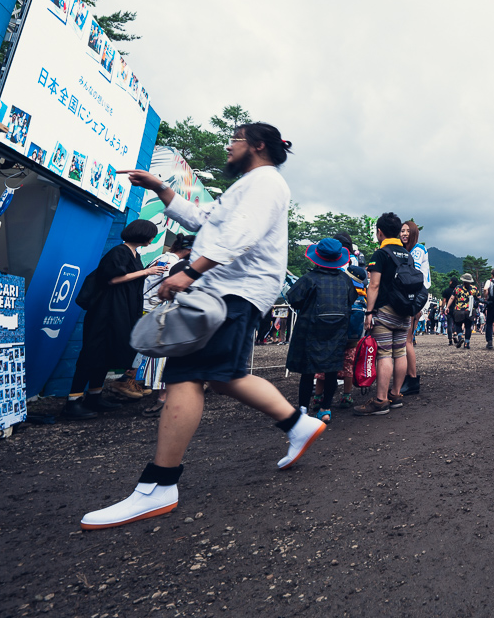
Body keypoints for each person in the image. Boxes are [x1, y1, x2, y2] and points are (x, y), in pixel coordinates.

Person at [82, 123, 325, 530]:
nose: (228, 147)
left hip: (232, 290)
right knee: (223, 376)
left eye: (235, 140)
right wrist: (161, 188)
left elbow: (239, 235)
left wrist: (190, 272)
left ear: (257, 146)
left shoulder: (265, 182)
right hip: (230, 290)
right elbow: (201, 219)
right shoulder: (249, 184)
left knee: (186, 375)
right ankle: (298, 424)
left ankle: (159, 485)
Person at [62, 219, 165, 420]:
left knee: (106, 353)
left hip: (120, 310)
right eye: (151, 235)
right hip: (105, 311)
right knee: (92, 353)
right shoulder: (119, 252)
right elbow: (112, 279)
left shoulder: (134, 254)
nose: (153, 239)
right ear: (142, 234)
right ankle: (73, 402)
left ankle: (94, 396)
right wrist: (147, 272)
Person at [285, 238, 355, 422]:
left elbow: (293, 300)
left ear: (317, 257)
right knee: (331, 371)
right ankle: (325, 410)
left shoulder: (309, 279)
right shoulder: (345, 280)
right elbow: (351, 300)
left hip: (310, 331)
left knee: (308, 373)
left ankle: (303, 411)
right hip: (336, 332)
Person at [355, 213, 416, 415]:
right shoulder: (407, 255)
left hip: (385, 311)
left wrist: (369, 312)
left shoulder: (381, 254)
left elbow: (374, 285)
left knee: (384, 354)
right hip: (404, 312)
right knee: (400, 352)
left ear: (380, 232)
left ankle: (381, 400)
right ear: (398, 232)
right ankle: (396, 394)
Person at [137, 234, 195, 417]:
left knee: (165, 356)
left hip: (164, 312)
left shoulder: (166, 258)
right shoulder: (178, 265)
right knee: (165, 356)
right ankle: (163, 398)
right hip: (167, 313)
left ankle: (164, 397)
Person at [400, 220, 428, 395]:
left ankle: (411, 379)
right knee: (405, 339)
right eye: (402, 231)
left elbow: (412, 276)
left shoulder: (418, 250)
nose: (404, 234)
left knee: (407, 340)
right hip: (410, 296)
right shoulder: (407, 250)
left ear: (414, 233)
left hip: (414, 296)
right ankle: (408, 378)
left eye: (407, 231)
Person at [446, 273, 477, 348]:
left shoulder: (457, 288)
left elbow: (452, 298)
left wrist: (447, 307)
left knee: (458, 324)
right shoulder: (474, 288)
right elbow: (478, 298)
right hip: (469, 310)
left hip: (459, 310)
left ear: (463, 280)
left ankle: (460, 337)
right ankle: (467, 343)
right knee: (468, 327)